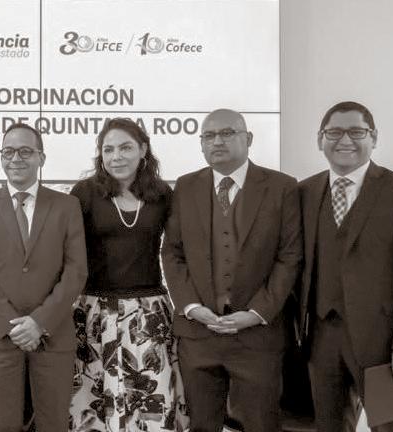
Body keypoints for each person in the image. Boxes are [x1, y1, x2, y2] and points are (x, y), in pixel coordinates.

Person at [298, 101, 393, 432]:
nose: (344, 140)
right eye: (334, 132)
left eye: (356, 132)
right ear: (320, 139)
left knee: (391, 429)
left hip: (386, 344)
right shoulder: (304, 191)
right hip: (321, 340)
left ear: (373, 138)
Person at [161, 109, 302, 432]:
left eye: (227, 133)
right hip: (199, 335)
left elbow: (289, 257)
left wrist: (256, 313)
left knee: (261, 424)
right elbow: (172, 253)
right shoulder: (186, 186)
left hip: (258, 336)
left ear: (248, 138)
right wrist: (191, 307)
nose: (217, 142)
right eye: (209, 136)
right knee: (201, 425)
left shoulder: (281, 187)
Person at [0, 123, 88, 432]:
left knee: (53, 424)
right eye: (8, 152)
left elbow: (76, 271)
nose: (16, 159)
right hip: (0, 337)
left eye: (25, 151)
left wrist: (38, 322)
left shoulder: (67, 206)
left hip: (53, 334)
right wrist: (14, 326)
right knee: (4, 425)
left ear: (41, 158)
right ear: (1, 157)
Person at [69, 118, 187, 431]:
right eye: (108, 150)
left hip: (149, 315)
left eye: (125, 148)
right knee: (95, 408)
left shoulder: (162, 194)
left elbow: (179, 250)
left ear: (143, 150)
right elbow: (66, 252)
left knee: (150, 408)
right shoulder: (84, 193)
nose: (116, 156)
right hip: (94, 313)